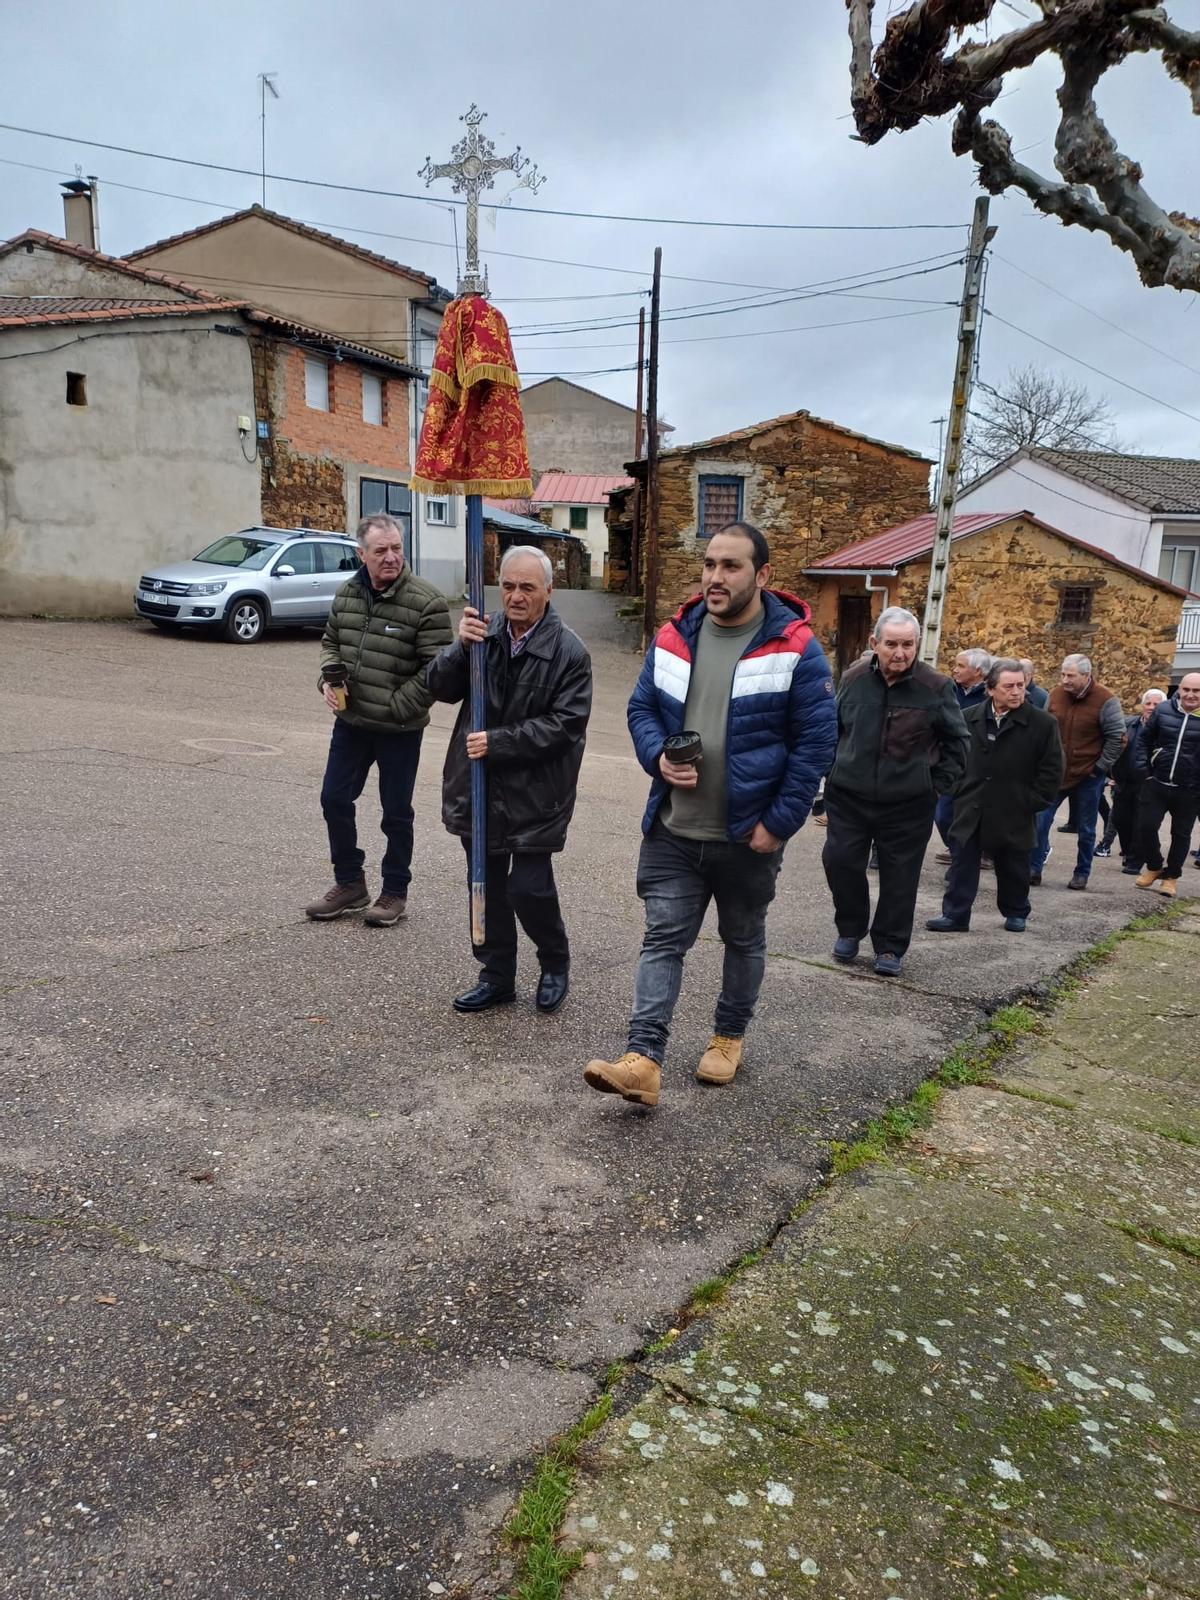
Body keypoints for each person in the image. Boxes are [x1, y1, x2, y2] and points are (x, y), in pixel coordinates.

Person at [583, 524, 836, 1107]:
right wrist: (656, 758)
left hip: (748, 836)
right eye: (710, 564)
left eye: (731, 566)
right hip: (674, 828)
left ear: (762, 576)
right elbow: (642, 706)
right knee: (662, 939)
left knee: (742, 940)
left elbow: (815, 745)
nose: (715, 577)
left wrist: (781, 821)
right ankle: (643, 1059)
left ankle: (728, 1037)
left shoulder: (797, 647)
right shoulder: (676, 634)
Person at [426, 546, 592, 1013]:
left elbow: (566, 725)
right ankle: (497, 976)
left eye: (527, 588)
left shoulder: (570, 652)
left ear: (549, 591)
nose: (516, 597)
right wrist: (460, 647)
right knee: (487, 886)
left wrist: (498, 742)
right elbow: (437, 687)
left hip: (537, 794)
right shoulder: (483, 634)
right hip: (479, 787)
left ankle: (554, 962)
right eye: (509, 586)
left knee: (530, 888)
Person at [305, 514, 453, 925]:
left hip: (399, 729)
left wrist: (400, 704)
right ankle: (350, 883)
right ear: (362, 554)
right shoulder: (348, 593)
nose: (391, 557)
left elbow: (438, 671)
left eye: (397, 548)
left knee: (395, 813)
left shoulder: (427, 601)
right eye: (380, 550)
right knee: (334, 799)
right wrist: (327, 679)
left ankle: (394, 892)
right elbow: (331, 641)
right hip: (351, 723)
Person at [822, 606, 968, 978]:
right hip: (849, 797)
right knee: (840, 862)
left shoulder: (936, 687)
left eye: (907, 645)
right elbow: (832, 730)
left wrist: (936, 787)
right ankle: (851, 928)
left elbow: (958, 742)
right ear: (875, 643)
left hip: (909, 803)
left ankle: (889, 945)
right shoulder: (854, 679)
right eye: (891, 644)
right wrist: (830, 772)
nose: (899, 653)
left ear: (917, 645)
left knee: (900, 876)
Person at [925, 659, 1063, 935]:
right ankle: (955, 915)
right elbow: (952, 756)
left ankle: (1016, 912)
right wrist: (955, 789)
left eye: (1020, 686)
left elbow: (1052, 770)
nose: (1016, 692)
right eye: (1008, 686)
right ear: (990, 689)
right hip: (971, 804)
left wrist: (1030, 801)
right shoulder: (969, 717)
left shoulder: (1042, 724)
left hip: (1014, 806)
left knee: (1013, 864)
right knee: (963, 862)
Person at [1030, 654, 1126, 890]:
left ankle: (1082, 872)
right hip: (1055, 774)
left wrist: (1100, 767)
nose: (1064, 680)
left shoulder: (1106, 700)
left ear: (1086, 675)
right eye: (1063, 674)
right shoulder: (1054, 695)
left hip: (1088, 775)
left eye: (1070, 675)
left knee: (1085, 829)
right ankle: (1034, 868)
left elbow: (1118, 737)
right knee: (1040, 823)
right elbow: (1042, 728)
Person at [1133, 672, 1200, 898]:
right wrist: (1145, 769)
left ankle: (1171, 877)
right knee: (1146, 826)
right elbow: (1143, 739)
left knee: (1181, 835)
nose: (1190, 695)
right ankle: (1154, 866)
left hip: (1190, 789)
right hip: (1157, 782)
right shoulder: (1163, 711)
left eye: (1196, 691)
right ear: (1179, 689)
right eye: (1186, 689)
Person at [933, 647, 991, 864]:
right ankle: (958, 849)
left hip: (978, 767)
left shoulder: (990, 695)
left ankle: (970, 855)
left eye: (960, 666)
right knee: (942, 814)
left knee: (974, 817)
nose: (954, 670)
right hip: (952, 764)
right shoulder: (948, 690)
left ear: (977, 672)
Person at [1100, 687, 1165, 871]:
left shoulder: (1164, 730)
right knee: (1121, 820)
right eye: (1148, 703)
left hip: (1148, 784)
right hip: (1123, 782)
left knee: (1141, 823)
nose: (1151, 707)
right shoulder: (1129, 724)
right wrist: (1109, 773)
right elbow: (1112, 745)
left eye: (1156, 704)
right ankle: (1128, 852)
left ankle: (1136, 860)